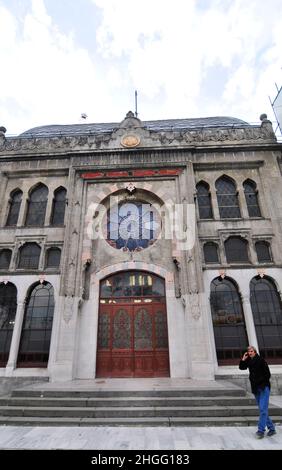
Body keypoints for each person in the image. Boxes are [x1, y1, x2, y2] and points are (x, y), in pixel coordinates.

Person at [239, 345, 276, 439]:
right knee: (262, 409)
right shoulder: (249, 361)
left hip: (263, 387)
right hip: (256, 388)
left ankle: (260, 431)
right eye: (249, 351)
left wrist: (260, 381)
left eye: (252, 351)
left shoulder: (261, 360)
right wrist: (243, 359)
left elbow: (268, 374)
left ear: (255, 352)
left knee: (263, 409)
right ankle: (272, 428)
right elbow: (241, 368)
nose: (250, 353)